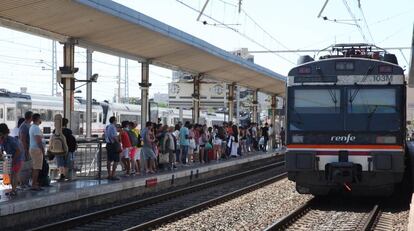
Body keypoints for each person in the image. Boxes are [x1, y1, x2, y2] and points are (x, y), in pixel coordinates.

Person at [0, 123, 24, 196]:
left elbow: (18, 151)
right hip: (11, 157)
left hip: (18, 158)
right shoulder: (2, 140)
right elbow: (1, 150)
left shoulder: (11, 140)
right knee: (11, 174)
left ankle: (14, 190)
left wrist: (13, 160)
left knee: (15, 174)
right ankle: (14, 188)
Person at [28, 113, 44, 190]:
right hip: (36, 150)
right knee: (36, 168)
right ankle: (34, 184)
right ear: (38, 119)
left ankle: (33, 183)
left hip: (33, 149)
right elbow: (38, 141)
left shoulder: (32, 127)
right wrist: (43, 150)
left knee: (34, 167)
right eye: (40, 118)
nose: (41, 120)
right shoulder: (36, 128)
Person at [105, 116, 120, 180]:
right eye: (116, 120)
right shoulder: (113, 127)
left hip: (108, 144)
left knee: (109, 160)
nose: (116, 122)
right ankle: (113, 175)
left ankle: (109, 174)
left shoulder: (107, 126)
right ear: (114, 121)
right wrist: (118, 143)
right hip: (113, 145)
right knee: (116, 160)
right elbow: (114, 137)